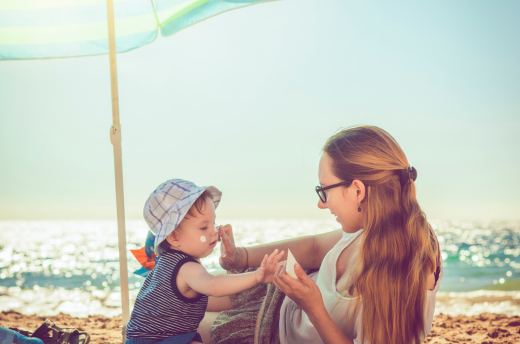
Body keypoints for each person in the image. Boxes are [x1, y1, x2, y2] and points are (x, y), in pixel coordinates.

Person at [200, 126, 443, 344]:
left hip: (273, 331)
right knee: (188, 294)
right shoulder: (374, 226)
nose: (321, 204)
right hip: (277, 297)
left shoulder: (404, 266)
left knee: (186, 323)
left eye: (324, 190)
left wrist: (314, 308)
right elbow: (316, 247)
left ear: (358, 190)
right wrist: (240, 257)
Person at [126, 179, 284, 344]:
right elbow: (215, 286)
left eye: (213, 223)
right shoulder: (186, 268)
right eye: (203, 227)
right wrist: (257, 276)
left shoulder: (167, 262)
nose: (213, 232)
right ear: (173, 236)